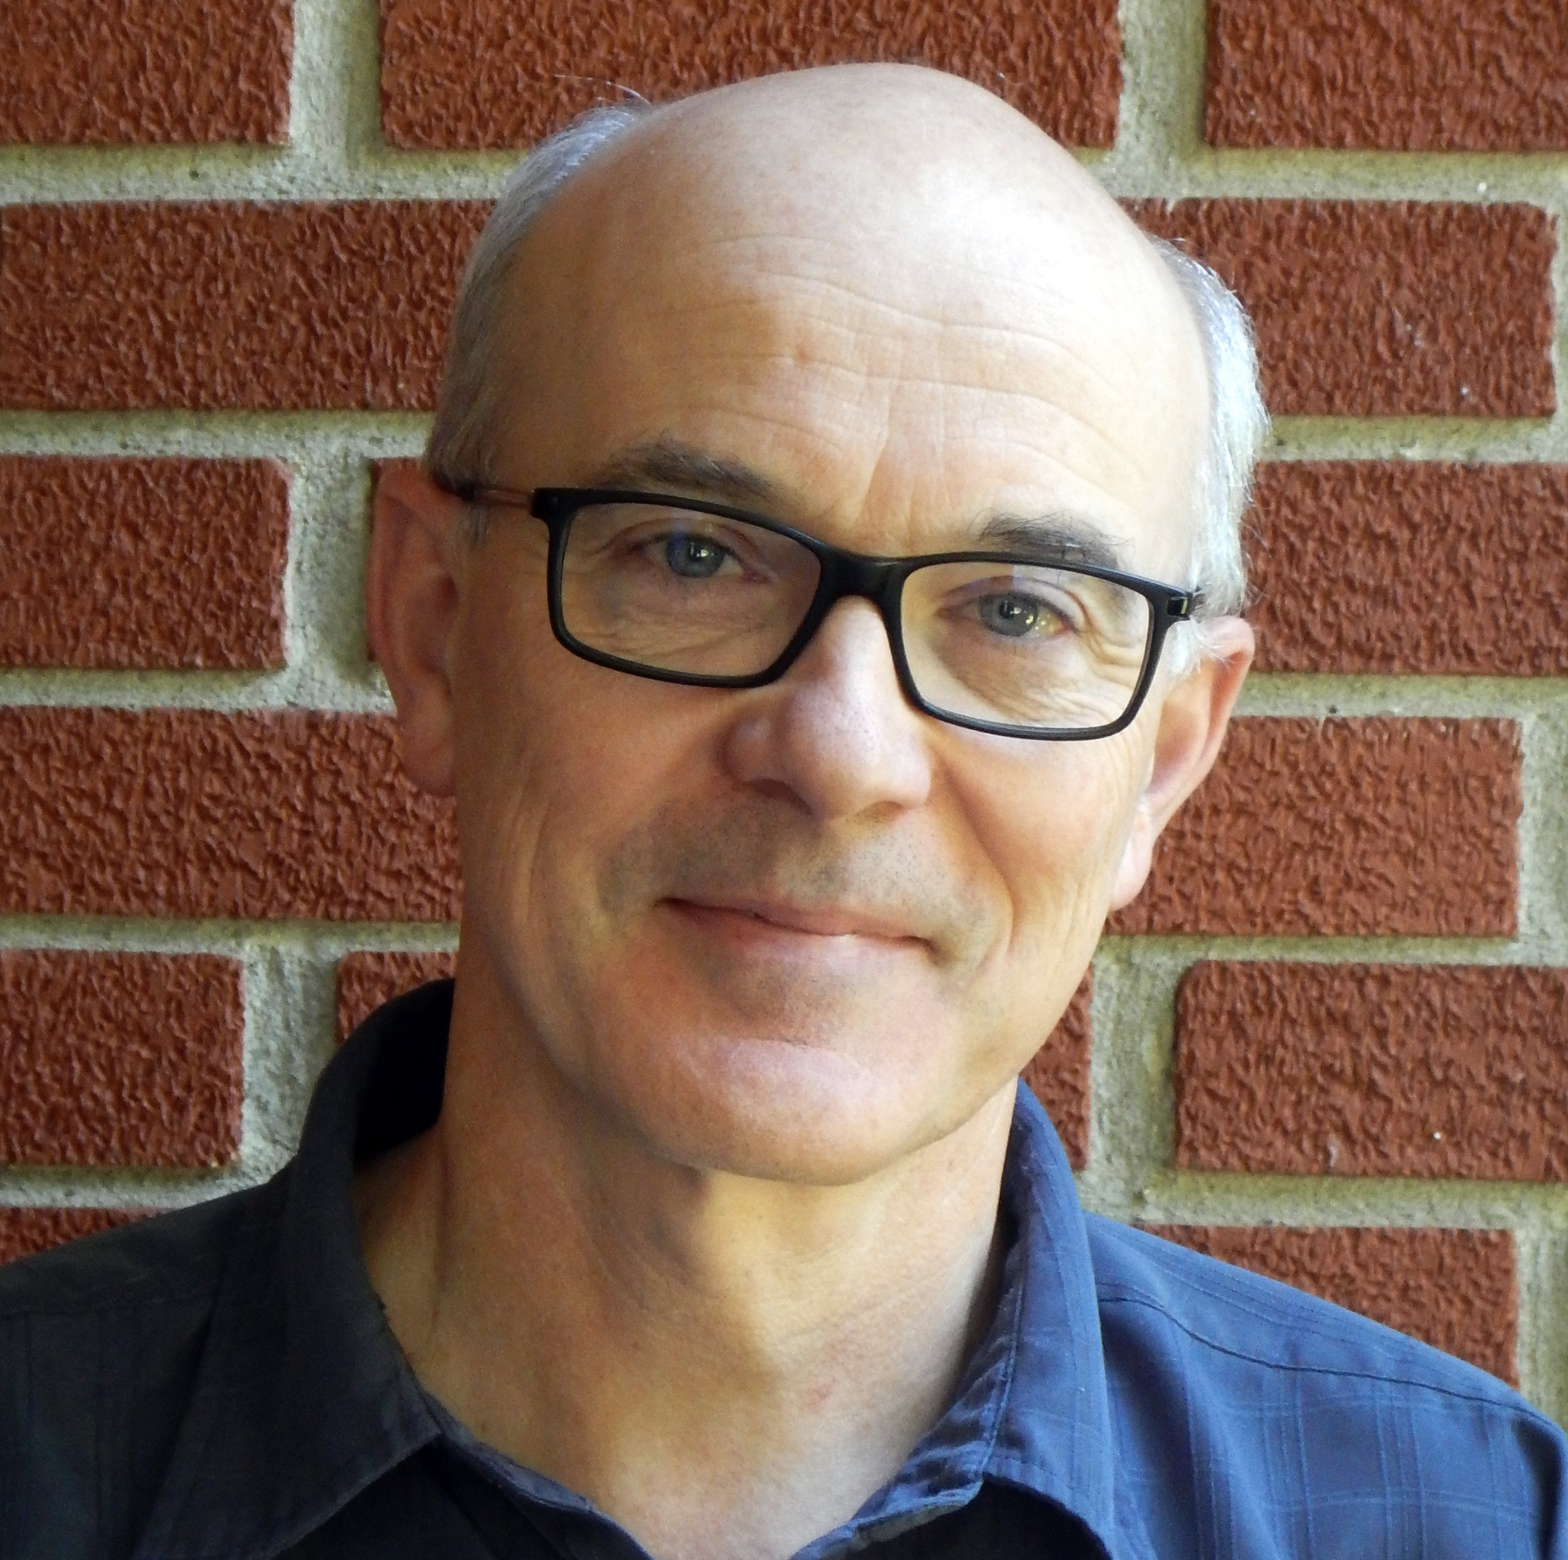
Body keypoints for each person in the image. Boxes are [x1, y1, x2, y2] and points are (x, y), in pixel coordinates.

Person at [1, 63, 1562, 1560]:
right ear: (429, 630)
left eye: (1016, 613)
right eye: (693, 555)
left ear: (1163, 757)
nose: (840, 751)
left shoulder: (1474, 1526)